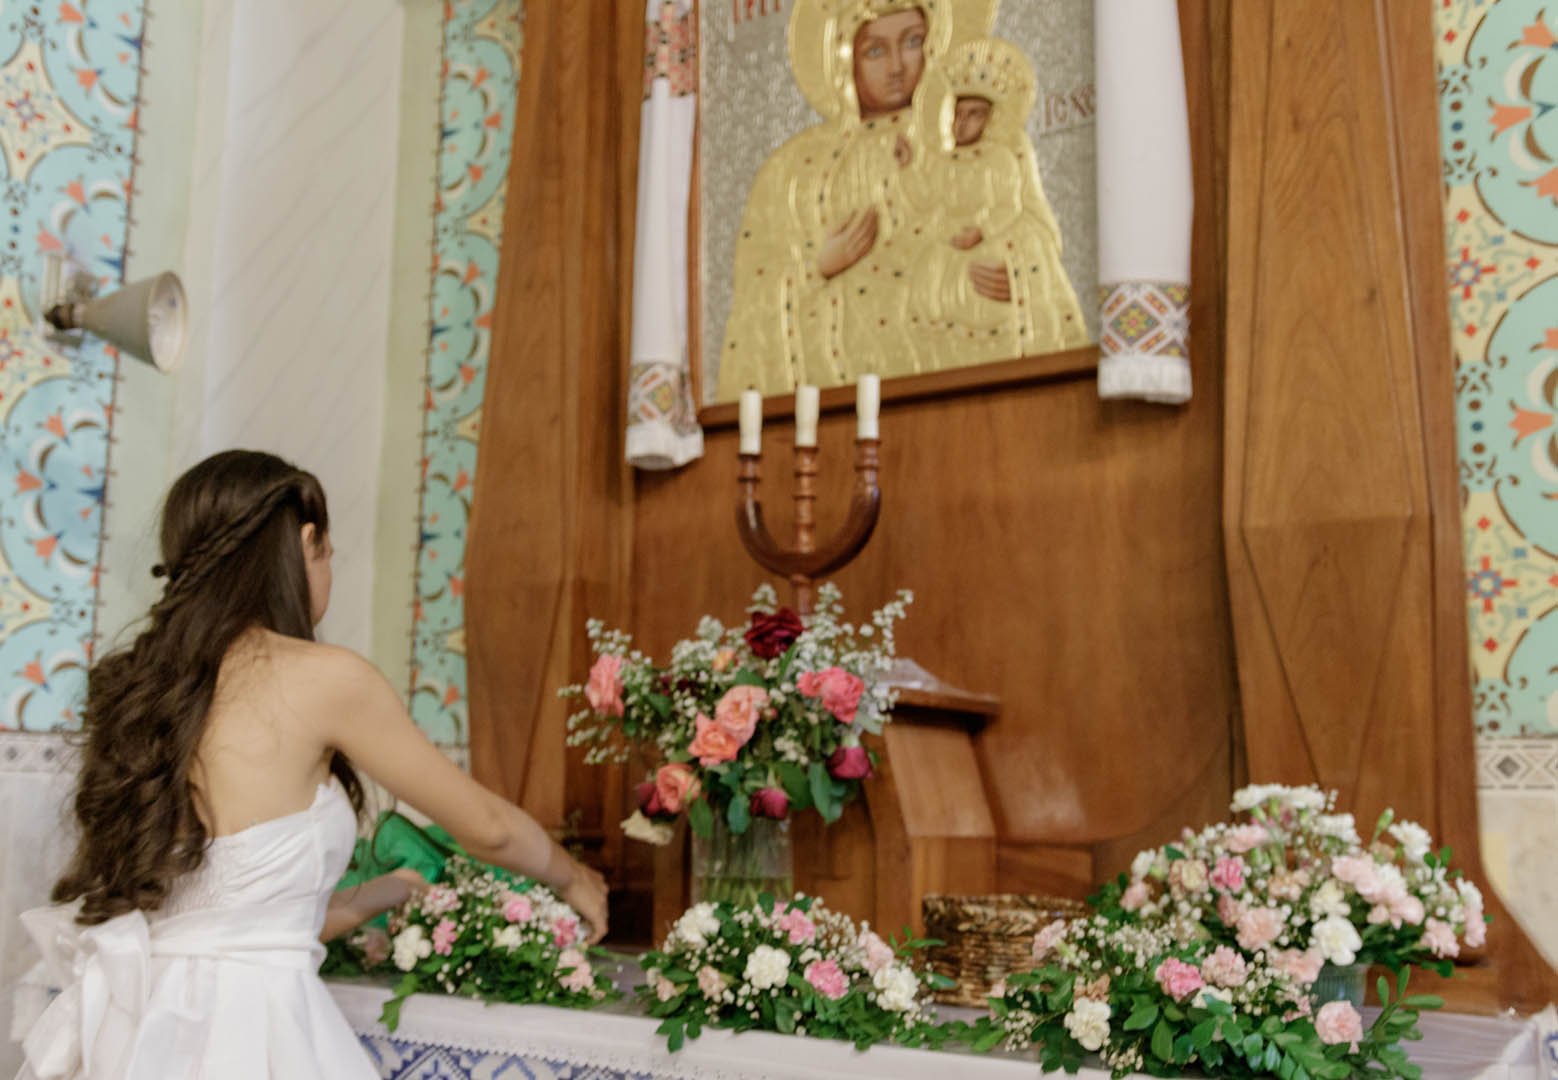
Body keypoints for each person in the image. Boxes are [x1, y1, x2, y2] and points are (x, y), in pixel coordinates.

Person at [13, 450, 609, 1079]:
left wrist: (388, 890)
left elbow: (233, 929)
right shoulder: (326, 678)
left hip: (139, 1033)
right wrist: (572, 876)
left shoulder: (144, 692)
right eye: (329, 552)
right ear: (305, 543)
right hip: (250, 1037)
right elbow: (488, 827)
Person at [899, 36, 1088, 367]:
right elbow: (926, 199)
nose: (962, 123)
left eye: (973, 115)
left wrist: (982, 231)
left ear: (990, 118)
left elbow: (1008, 206)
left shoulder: (999, 159)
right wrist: (907, 168)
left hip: (986, 246)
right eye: (958, 113)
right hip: (947, 259)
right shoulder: (945, 162)